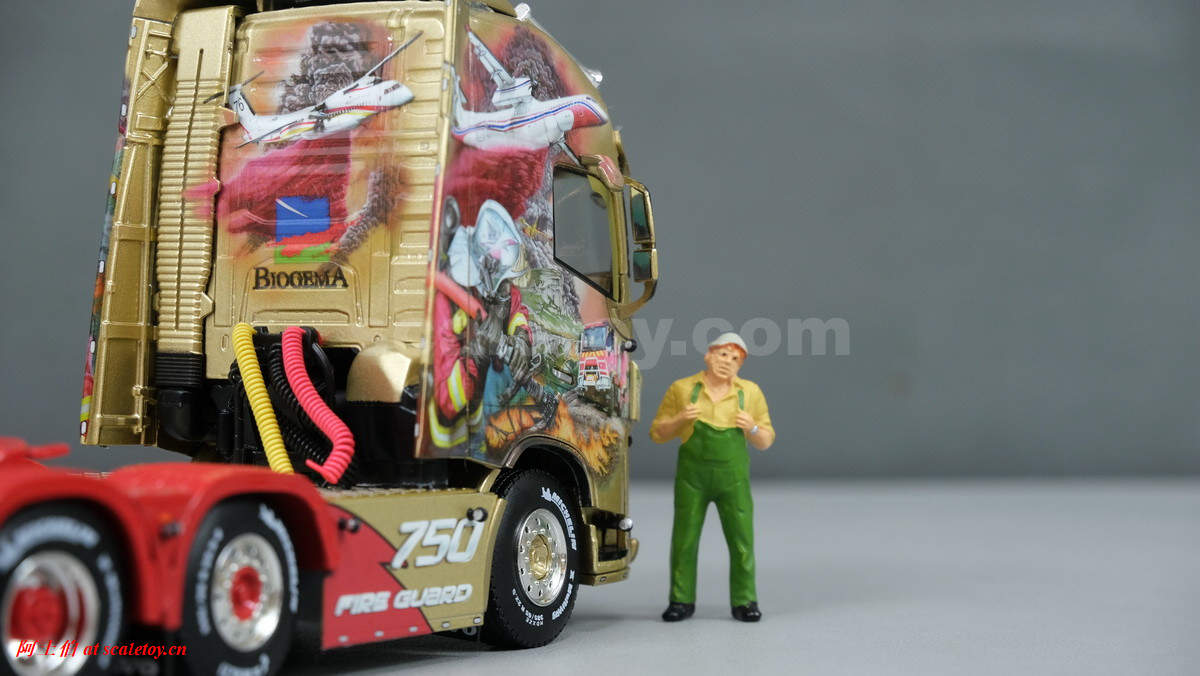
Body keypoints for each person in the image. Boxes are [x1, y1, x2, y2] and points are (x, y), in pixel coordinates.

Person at [649, 332, 775, 622]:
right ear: (709, 355)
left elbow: (766, 441)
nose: (727, 361)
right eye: (723, 354)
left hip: (734, 481)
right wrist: (680, 419)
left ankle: (745, 600)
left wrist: (752, 427)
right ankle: (681, 599)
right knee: (684, 540)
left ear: (740, 365)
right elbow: (657, 433)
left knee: (742, 540)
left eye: (735, 358)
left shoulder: (750, 392)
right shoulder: (682, 389)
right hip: (692, 480)